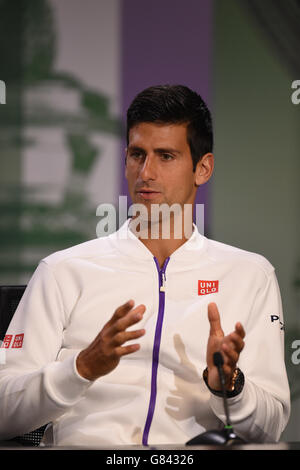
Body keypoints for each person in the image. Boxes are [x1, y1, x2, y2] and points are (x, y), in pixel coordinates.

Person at [0, 85, 290, 446]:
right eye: (138, 155)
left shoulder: (250, 276)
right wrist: (80, 368)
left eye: (165, 156)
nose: (146, 173)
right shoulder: (63, 270)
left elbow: (271, 428)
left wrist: (229, 387)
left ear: (203, 168)